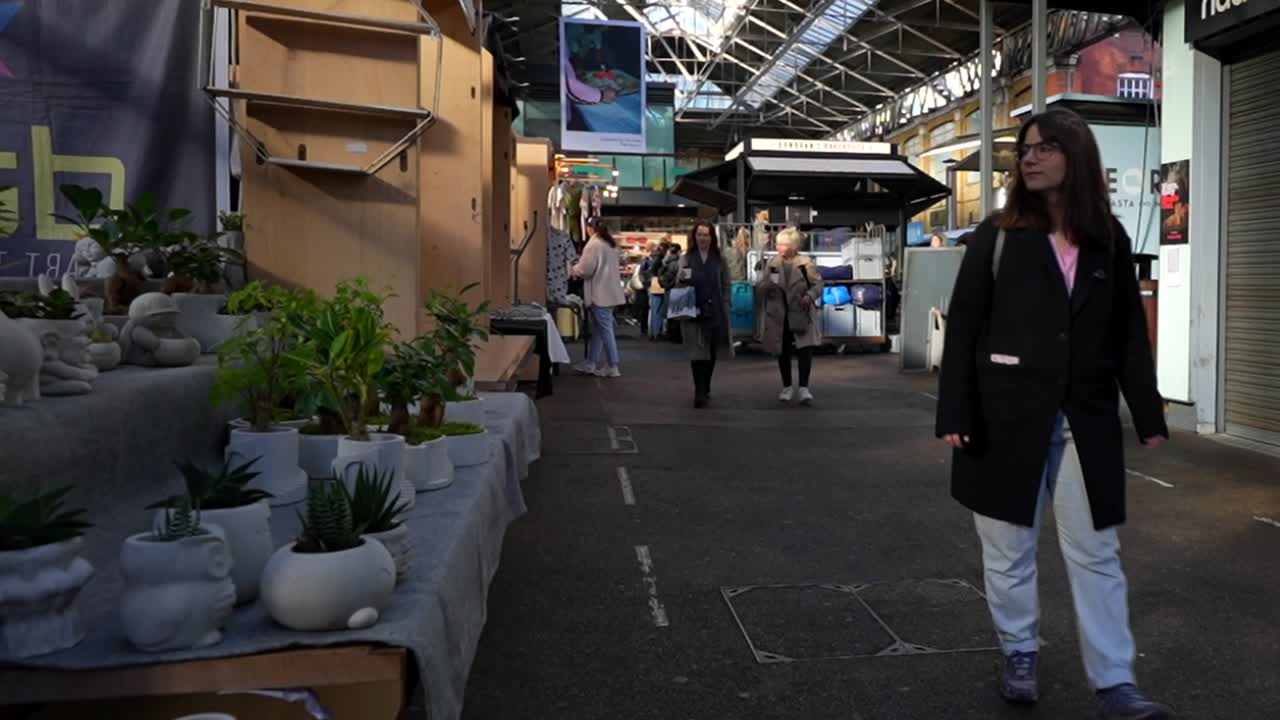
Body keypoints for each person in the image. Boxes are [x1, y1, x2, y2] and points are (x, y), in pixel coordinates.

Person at [935, 109, 1171, 719]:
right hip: (1002, 417)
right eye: (1025, 150)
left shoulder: (1108, 240)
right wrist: (954, 409)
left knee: (1096, 551)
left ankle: (1116, 682)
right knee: (1009, 546)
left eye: (1044, 148)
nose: (1029, 158)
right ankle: (1020, 651)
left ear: (1076, 156)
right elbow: (962, 328)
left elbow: (1126, 334)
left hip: (1083, 421)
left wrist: (1146, 412)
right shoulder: (996, 236)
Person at [756, 228, 823, 405]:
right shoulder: (772, 262)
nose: (779, 247)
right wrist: (767, 284)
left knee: (805, 350)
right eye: (777, 243)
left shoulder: (805, 263)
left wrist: (809, 296)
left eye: (783, 244)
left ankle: (803, 388)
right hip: (778, 314)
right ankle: (786, 387)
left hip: (801, 311)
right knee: (782, 350)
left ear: (793, 245)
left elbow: (818, 285)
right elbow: (761, 287)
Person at [675, 222, 733, 408]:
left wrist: (726, 302)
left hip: (715, 309)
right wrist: (682, 280)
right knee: (697, 352)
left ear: (712, 237)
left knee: (711, 352)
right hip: (693, 308)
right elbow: (678, 283)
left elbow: (726, 283)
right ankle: (699, 391)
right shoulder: (687, 258)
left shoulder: (719, 259)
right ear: (694, 236)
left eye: (706, 235)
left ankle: (706, 386)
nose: (702, 238)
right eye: (699, 234)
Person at [571, 217, 625, 378]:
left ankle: (612, 365)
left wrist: (572, 268)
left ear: (589, 228)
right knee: (600, 330)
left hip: (600, 293)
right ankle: (591, 362)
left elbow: (585, 269)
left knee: (605, 330)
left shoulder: (594, 245)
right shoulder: (609, 244)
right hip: (611, 293)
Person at [658, 243, 684, 343]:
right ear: (678, 251)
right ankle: (677, 337)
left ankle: (670, 335)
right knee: (677, 314)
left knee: (670, 315)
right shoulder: (678, 263)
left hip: (668, 290)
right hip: (676, 289)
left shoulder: (665, 262)